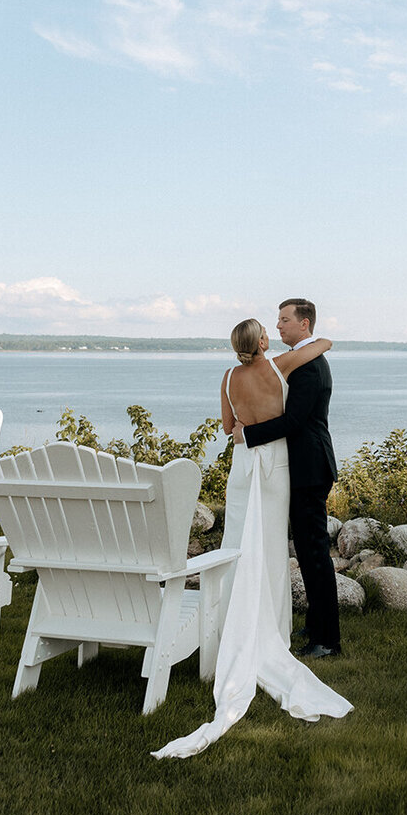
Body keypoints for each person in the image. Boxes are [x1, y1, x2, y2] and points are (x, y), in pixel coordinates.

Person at [152, 315, 352, 759]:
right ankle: (271, 628)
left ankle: (232, 622)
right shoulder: (280, 366)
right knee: (270, 551)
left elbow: (229, 428)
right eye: (271, 327)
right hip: (276, 468)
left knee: (238, 546)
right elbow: (319, 348)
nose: (277, 330)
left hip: (244, 468)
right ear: (262, 340)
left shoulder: (227, 377)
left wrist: (245, 427)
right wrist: (324, 339)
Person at [234, 299, 340, 658]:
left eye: (284, 320)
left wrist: (246, 435)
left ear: (304, 325)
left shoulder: (309, 368)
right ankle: (314, 623)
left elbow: (294, 421)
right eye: (276, 321)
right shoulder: (304, 358)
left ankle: (327, 640)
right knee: (309, 552)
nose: (277, 326)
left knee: (314, 553)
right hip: (301, 467)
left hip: (310, 469)